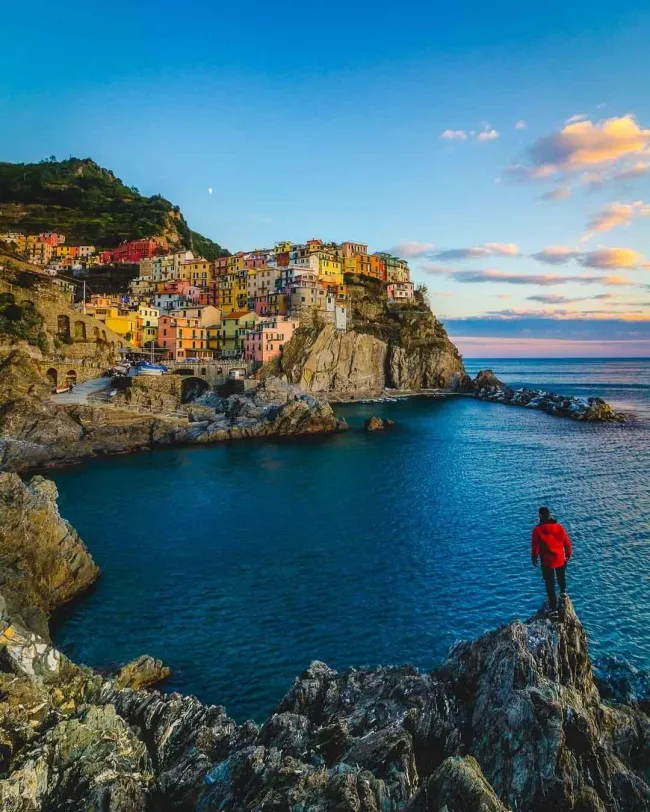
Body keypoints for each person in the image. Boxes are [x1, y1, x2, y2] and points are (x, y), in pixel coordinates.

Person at [531, 506, 572, 615]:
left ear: (540, 516)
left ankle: (553, 608)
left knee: (550, 584)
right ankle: (563, 593)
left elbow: (535, 547)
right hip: (560, 558)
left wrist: (534, 557)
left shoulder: (537, 530)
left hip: (547, 561)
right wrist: (568, 553)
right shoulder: (559, 527)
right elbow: (567, 542)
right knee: (561, 576)